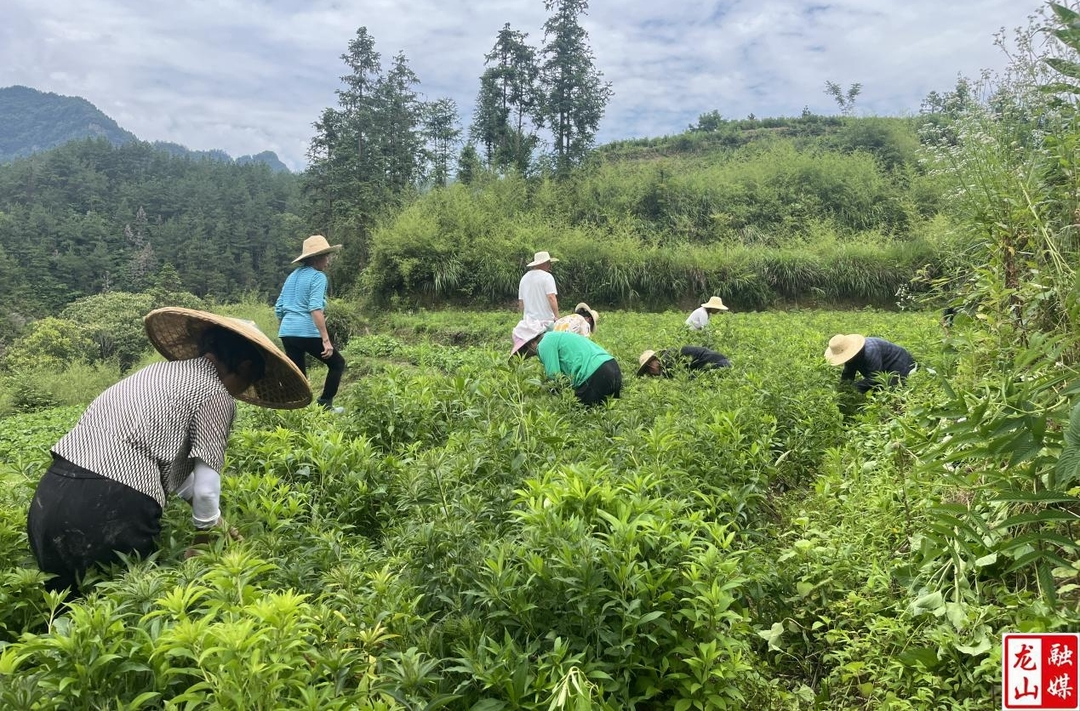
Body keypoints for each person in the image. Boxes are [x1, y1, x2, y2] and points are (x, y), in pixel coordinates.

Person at [26, 307, 311, 595]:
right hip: (109, 507)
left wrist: (217, 522)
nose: (241, 391)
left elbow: (165, 466)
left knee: (63, 612)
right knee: (120, 611)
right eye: (250, 380)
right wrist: (206, 535)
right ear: (246, 366)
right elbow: (206, 489)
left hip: (49, 499)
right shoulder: (215, 394)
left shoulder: (155, 373)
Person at [275, 234, 346, 411]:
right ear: (315, 258)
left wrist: (289, 325)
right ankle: (325, 404)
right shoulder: (318, 277)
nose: (328, 261)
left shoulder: (292, 276)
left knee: (299, 375)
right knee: (337, 363)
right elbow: (315, 309)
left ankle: (297, 409)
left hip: (287, 331)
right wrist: (326, 340)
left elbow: (279, 307)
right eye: (325, 256)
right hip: (306, 331)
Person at [511, 322, 621, 407]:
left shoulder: (544, 344)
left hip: (595, 373)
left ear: (530, 343)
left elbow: (554, 378)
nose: (525, 355)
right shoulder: (555, 336)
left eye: (523, 350)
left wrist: (551, 401)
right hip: (612, 367)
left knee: (578, 415)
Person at [824, 334, 915, 393]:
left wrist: (854, 389)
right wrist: (843, 390)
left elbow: (875, 377)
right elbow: (848, 374)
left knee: (893, 391)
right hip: (882, 366)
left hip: (899, 363)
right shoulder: (852, 357)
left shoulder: (870, 351)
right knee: (879, 391)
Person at [518, 250, 560, 326]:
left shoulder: (524, 278)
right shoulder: (547, 277)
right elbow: (551, 297)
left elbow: (521, 303)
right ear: (546, 263)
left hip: (528, 323)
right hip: (545, 322)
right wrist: (557, 317)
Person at [637, 346, 731, 377]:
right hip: (723, 363)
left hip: (718, 365)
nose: (651, 373)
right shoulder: (669, 356)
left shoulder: (668, 360)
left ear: (651, 364)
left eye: (648, 369)